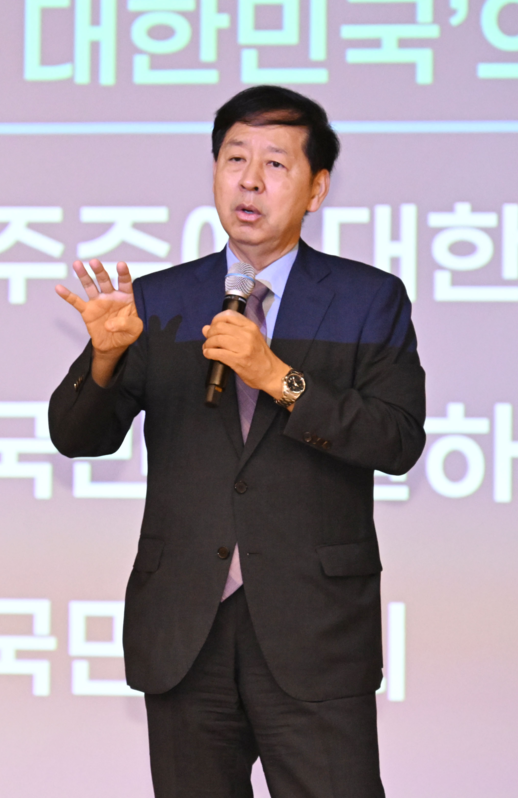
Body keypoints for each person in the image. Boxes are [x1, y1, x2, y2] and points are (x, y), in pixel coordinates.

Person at [49, 86, 426, 798]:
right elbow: (76, 437)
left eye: (275, 164)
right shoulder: (158, 302)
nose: (249, 181)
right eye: (234, 159)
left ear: (316, 189)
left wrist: (278, 377)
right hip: (187, 629)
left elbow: (397, 438)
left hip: (314, 629)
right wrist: (104, 360)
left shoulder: (368, 299)